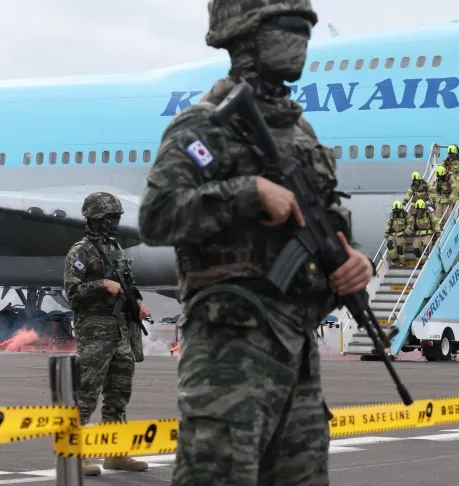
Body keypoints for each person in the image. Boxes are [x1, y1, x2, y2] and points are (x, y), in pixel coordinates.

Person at [136, 0, 375, 484]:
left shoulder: (302, 135)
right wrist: (247, 193)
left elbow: (327, 226)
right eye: (286, 28)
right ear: (243, 34)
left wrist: (353, 265)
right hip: (230, 352)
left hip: (298, 353)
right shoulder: (204, 127)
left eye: (304, 29)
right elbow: (157, 217)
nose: (299, 41)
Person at [63, 192, 150, 476]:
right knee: (86, 393)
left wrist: (138, 305)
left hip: (120, 332)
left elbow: (128, 285)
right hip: (95, 332)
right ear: (95, 219)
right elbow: (72, 293)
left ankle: (116, 453)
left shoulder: (115, 248)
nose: (115, 223)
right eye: (110, 218)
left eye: (117, 218)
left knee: (118, 393)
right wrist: (101, 284)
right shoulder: (81, 251)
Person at [384, 200, 412, 267]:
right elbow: (388, 224)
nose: (396, 212)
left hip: (401, 234)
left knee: (400, 248)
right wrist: (386, 232)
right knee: (389, 244)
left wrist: (406, 232)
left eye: (397, 211)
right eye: (395, 211)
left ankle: (402, 262)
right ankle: (394, 259)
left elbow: (410, 224)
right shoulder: (392, 215)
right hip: (393, 234)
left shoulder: (406, 215)